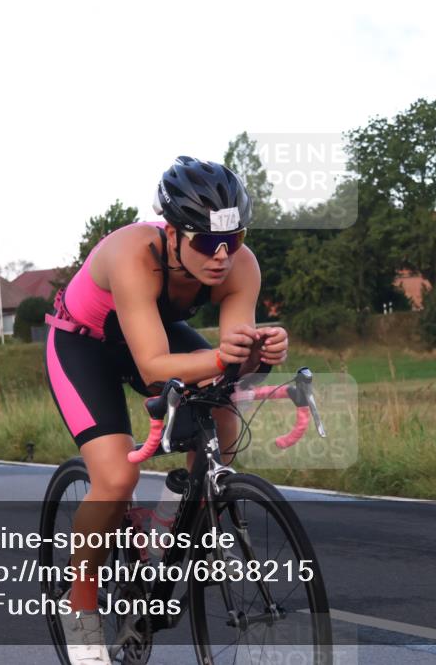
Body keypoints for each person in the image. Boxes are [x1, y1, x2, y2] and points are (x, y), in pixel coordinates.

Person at [43, 156, 288, 664]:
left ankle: (191, 516)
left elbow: (229, 360)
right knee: (114, 479)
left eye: (234, 239)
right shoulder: (133, 252)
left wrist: (257, 354)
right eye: (205, 242)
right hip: (85, 346)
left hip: (151, 334)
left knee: (225, 412)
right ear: (173, 231)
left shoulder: (241, 267)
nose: (221, 256)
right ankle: (80, 600)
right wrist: (228, 356)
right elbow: (155, 368)